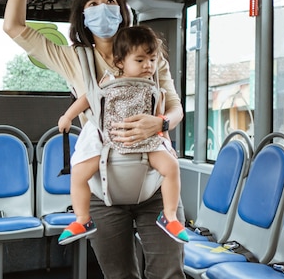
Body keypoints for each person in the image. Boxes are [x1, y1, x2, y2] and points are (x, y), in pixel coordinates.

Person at [3, 0, 186, 279]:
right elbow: (13, 27)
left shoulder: (149, 55)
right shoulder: (72, 57)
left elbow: (175, 110)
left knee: (169, 272)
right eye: (94, 3)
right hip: (104, 188)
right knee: (119, 275)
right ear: (83, 14)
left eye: (111, 1)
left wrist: (159, 124)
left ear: (123, 9)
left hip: (154, 181)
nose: (104, 8)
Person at [57, 25, 189, 245]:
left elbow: (159, 116)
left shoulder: (154, 88)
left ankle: (170, 215)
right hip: (109, 140)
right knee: (79, 172)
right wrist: (68, 116)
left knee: (172, 167)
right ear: (120, 63)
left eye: (152, 60)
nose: (148, 65)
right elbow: (88, 99)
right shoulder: (109, 81)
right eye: (140, 60)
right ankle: (82, 218)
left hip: (145, 141)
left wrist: (166, 142)